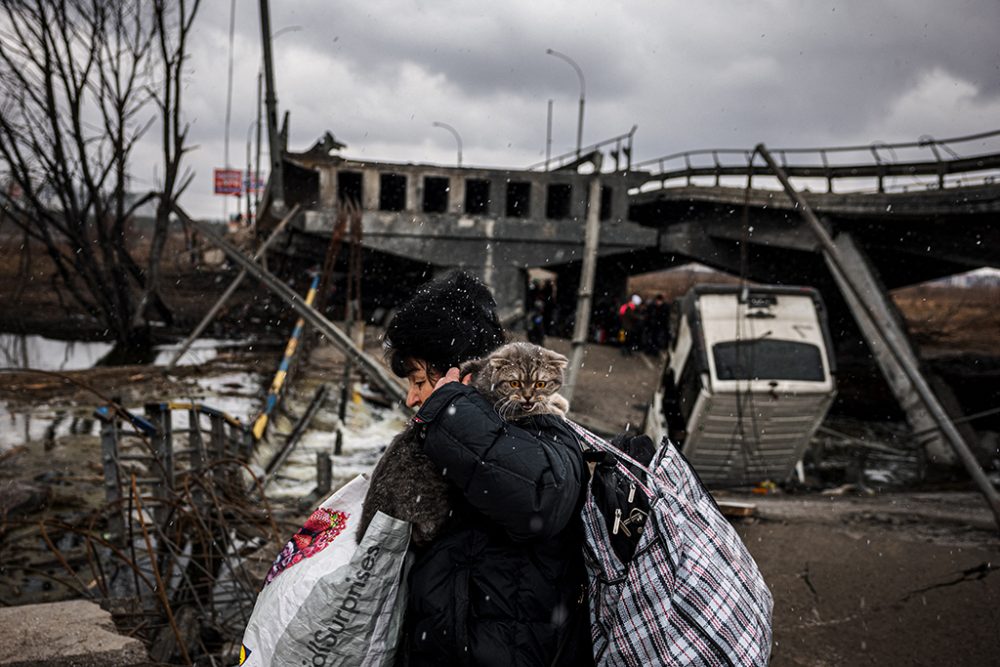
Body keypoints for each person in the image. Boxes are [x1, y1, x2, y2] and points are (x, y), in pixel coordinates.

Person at [382, 271, 593, 667]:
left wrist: (452, 408)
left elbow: (541, 498)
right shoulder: (453, 446)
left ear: (456, 376)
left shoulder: (543, 429)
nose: (411, 398)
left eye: (417, 380)